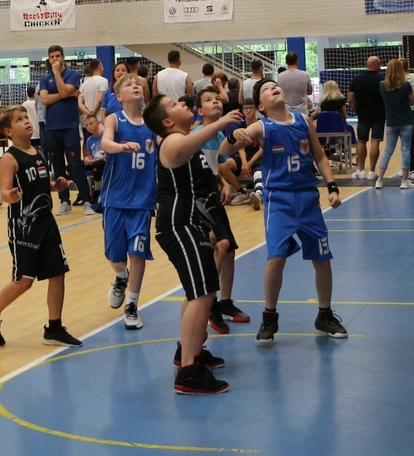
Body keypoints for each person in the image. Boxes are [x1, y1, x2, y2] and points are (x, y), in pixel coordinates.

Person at [225, 79, 345, 347]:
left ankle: (324, 314)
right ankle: (269, 317)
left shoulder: (303, 120)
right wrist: (234, 137)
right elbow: (224, 150)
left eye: (275, 85)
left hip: (308, 198)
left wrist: (332, 186)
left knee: (322, 258)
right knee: (276, 259)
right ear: (261, 106)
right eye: (267, 89)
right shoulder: (261, 126)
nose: (273, 88)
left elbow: (320, 156)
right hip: (279, 199)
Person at [144, 92, 243, 394]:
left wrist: (209, 226)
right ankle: (188, 371)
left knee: (199, 291)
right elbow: (183, 147)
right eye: (175, 105)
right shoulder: (171, 141)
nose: (183, 104)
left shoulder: (189, 141)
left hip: (191, 224)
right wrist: (220, 124)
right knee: (202, 293)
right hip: (178, 225)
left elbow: (199, 186)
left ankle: (190, 351)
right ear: (167, 121)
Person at [0, 106, 82, 349]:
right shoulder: (9, 158)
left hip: (46, 222)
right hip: (24, 225)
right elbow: (4, 190)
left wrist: (55, 186)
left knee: (57, 273)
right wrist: (9, 196)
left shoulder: (38, 152)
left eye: (26, 117)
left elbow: (39, 184)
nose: (26, 121)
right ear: (8, 131)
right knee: (24, 281)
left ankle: (54, 328)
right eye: (19, 120)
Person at [99, 74, 156, 330]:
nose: (135, 87)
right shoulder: (114, 119)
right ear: (119, 96)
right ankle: (121, 277)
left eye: (138, 84)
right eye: (129, 85)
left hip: (143, 200)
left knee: (137, 252)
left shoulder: (152, 123)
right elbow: (105, 142)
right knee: (114, 254)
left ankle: (132, 305)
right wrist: (121, 147)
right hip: (115, 197)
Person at [192, 88, 249, 335]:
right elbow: (195, 172)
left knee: (230, 250)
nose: (215, 102)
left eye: (217, 99)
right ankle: (210, 304)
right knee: (221, 245)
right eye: (208, 100)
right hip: (200, 200)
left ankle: (225, 301)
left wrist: (224, 183)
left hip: (214, 196)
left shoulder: (217, 136)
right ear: (200, 111)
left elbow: (215, 167)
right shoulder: (197, 135)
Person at [38, 45, 94, 215]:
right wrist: (64, 94)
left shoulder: (73, 75)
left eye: (57, 56)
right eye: (52, 57)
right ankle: (64, 201)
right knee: (57, 166)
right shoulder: (44, 78)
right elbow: (45, 100)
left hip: (69, 126)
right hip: (51, 127)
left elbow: (63, 91)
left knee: (75, 164)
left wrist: (57, 76)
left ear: (63, 57)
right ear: (49, 59)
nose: (55, 59)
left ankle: (86, 200)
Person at [372, 59, 414, 190]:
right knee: (405, 149)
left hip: (391, 121)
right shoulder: (406, 85)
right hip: (406, 121)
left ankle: (379, 180)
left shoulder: (382, 85)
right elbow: (412, 102)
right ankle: (405, 180)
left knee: (388, 150)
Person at [348, 56, 386, 181]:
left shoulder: (357, 79)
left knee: (361, 141)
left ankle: (361, 170)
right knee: (375, 141)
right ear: (376, 65)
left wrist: (356, 110)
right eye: (379, 64)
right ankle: (372, 172)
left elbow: (350, 99)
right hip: (379, 115)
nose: (380, 67)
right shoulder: (382, 80)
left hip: (362, 115)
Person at [277, 51, 313, 116]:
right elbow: (309, 92)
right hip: (302, 111)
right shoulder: (305, 75)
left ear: (286, 62)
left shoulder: (280, 76)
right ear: (297, 61)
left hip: (286, 111)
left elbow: (279, 92)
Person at [81, 113, 105, 198]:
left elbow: (108, 155)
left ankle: (97, 190)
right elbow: (90, 155)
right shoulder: (89, 140)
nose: (89, 127)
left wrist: (94, 160)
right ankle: (84, 191)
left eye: (91, 124)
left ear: (98, 124)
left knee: (96, 165)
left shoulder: (105, 136)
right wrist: (87, 158)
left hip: (104, 161)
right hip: (94, 161)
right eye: (87, 125)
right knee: (74, 167)